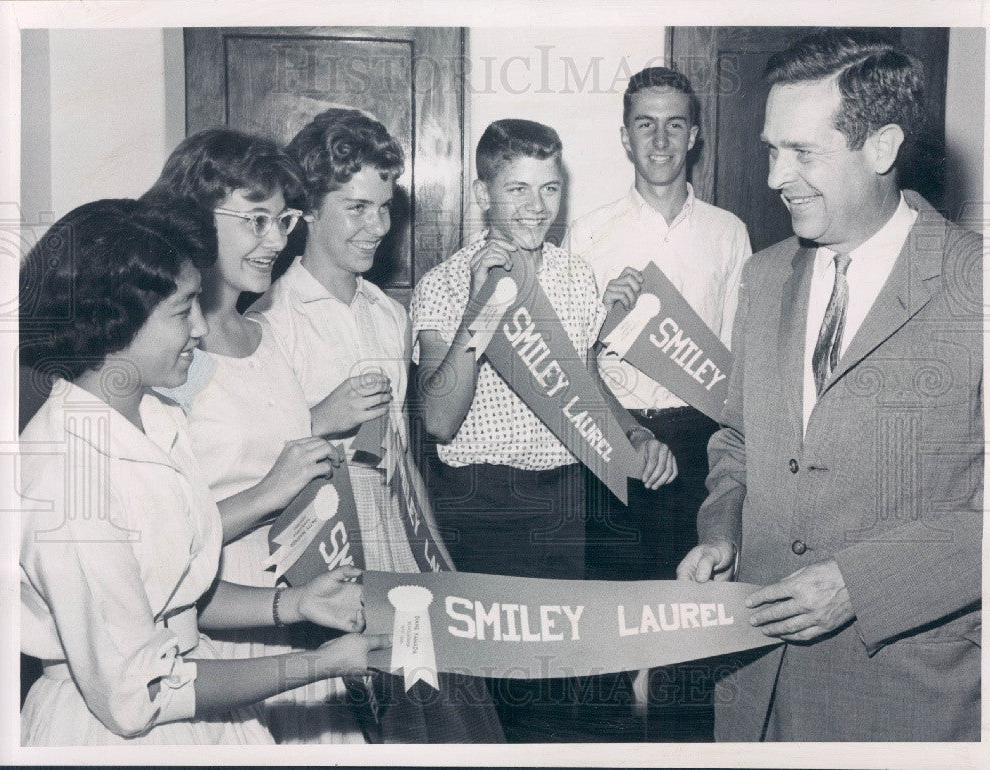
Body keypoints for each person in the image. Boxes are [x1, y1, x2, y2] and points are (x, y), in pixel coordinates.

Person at [677, 28, 981, 741]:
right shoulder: (762, 274)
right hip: (753, 684)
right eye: (771, 150)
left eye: (803, 152)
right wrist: (722, 530)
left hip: (909, 700)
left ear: (881, 148)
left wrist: (862, 584)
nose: (777, 175)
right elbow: (737, 438)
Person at [17, 198, 388, 746]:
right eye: (182, 307)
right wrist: (320, 665)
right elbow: (139, 694)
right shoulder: (70, 479)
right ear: (115, 318)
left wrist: (295, 603)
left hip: (199, 707)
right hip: (116, 732)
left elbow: (174, 594)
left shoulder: (155, 416)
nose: (198, 326)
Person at [411, 118, 677, 741]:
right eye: (518, 190)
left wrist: (634, 435)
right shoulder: (446, 285)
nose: (537, 208)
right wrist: (482, 309)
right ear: (483, 195)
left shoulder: (571, 275)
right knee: (499, 695)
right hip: (483, 506)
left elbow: (588, 387)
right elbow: (437, 419)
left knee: (566, 688)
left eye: (550, 189)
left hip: (567, 496)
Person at [249, 107, 504, 743]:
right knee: (337, 729)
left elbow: (403, 455)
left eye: (384, 207)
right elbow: (245, 467)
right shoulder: (269, 319)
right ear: (306, 209)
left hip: (395, 558)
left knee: (426, 725)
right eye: (357, 208)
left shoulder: (387, 313)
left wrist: (434, 559)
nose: (379, 227)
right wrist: (321, 419)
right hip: (315, 567)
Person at [141, 127, 371, 744]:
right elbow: (152, 546)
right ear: (193, 219)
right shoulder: (168, 358)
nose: (277, 240)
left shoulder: (264, 337)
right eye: (256, 220)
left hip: (298, 604)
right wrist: (272, 490)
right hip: (215, 620)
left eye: (285, 219)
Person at [569, 68, 752, 739]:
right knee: (611, 629)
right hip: (614, 438)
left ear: (695, 135)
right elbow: (567, 361)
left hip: (701, 442)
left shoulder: (728, 233)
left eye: (675, 123)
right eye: (645, 123)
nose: (661, 138)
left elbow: (736, 360)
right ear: (624, 136)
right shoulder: (588, 233)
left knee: (692, 622)